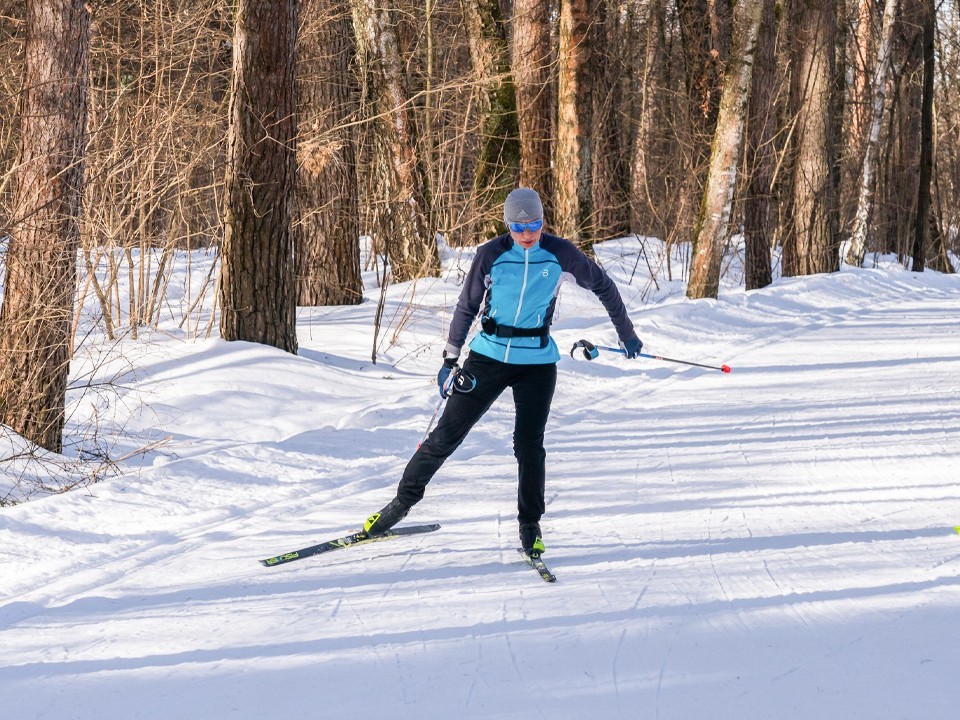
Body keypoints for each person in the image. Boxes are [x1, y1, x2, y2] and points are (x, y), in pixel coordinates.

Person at [363, 187, 643, 555]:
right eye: (518, 227)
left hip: (537, 364)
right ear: (507, 224)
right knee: (446, 435)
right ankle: (400, 503)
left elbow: (604, 287)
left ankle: (530, 524)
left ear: (543, 222)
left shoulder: (560, 254)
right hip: (488, 357)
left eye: (535, 225)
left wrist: (627, 334)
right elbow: (467, 306)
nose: (527, 235)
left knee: (529, 446)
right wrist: (450, 359)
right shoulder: (490, 255)